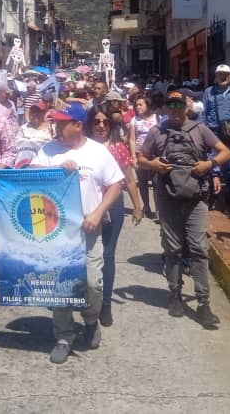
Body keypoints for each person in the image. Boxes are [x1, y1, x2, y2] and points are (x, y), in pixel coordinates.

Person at [137, 89, 230, 328]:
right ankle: (175, 295)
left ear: (186, 107)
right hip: (167, 197)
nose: (175, 110)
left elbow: (226, 152)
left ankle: (203, 303)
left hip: (197, 198)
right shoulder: (157, 131)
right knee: (173, 248)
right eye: (170, 105)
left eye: (178, 105)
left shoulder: (200, 129)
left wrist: (209, 164)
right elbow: (140, 157)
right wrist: (153, 165)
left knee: (199, 249)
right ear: (166, 108)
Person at [33, 102, 124, 365]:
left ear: (78, 125)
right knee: (61, 285)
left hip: (89, 229)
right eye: (57, 122)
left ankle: (91, 318)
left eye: (63, 122)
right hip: (56, 231)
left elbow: (115, 185)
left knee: (94, 282)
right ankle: (63, 336)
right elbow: (29, 173)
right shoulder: (49, 150)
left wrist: (97, 213)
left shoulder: (98, 152)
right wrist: (55, 170)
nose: (57, 126)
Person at [87, 108, 143, 327]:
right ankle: (88, 299)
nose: (101, 126)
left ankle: (106, 304)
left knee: (108, 254)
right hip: (87, 206)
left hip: (114, 206)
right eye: (96, 122)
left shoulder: (118, 148)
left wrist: (138, 206)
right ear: (89, 125)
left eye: (105, 123)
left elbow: (129, 179)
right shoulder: (82, 148)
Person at [202, 65, 230, 215]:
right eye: (220, 74)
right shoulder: (208, 92)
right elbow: (204, 114)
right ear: (216, 76)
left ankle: (229, 203)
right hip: (213, 135)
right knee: (213, 167)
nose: (223, 77)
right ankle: (212, 198)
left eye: (226, 74)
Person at [129, 94, 159, 221]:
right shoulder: (134, 120)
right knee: (142, 183)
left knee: (157, 183)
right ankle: (146, 206)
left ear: (148, 105)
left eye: (141, 104)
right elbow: (131, 139)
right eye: (136, 105)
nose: (137, 107)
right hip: (139, 155)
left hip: (154, 156)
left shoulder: (157, 118)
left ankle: (158, 210)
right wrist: (133, 157)